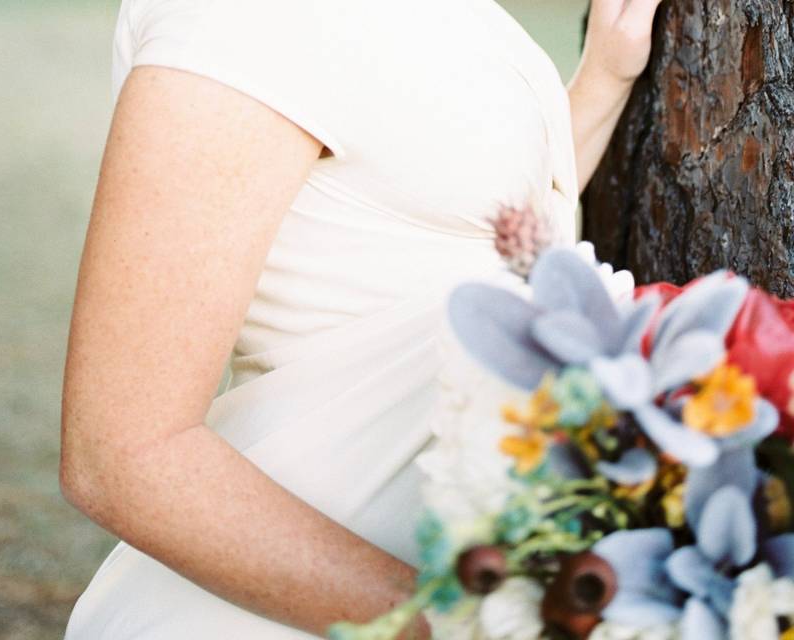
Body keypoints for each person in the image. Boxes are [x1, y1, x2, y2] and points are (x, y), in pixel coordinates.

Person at [59, 0, 663, 637]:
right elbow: (124, 457)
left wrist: (603, 77)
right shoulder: (238, 21)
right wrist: (453, 622)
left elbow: (459, 240)